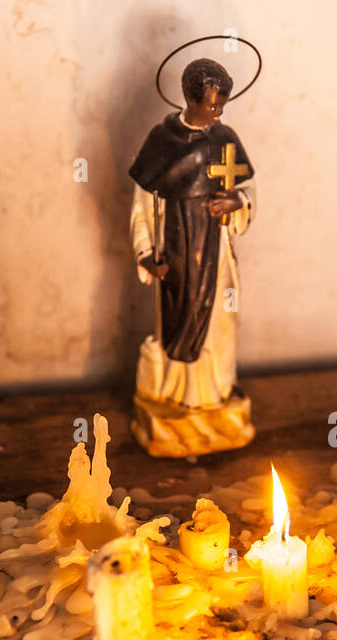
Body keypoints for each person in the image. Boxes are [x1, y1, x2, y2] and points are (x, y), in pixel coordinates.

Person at [128, 57, 255, 410]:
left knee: (221, 323)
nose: (218, 112)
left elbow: (248, 187)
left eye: (222, 104)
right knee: (177, 324)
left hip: (217, 246)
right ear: (191, 99)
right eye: (212, 104)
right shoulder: (161, 140)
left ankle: (216, 392)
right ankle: (176, 395)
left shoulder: (226, 138)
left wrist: (238, 200)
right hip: (177, 247)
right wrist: (145, 253)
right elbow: (142, 204)